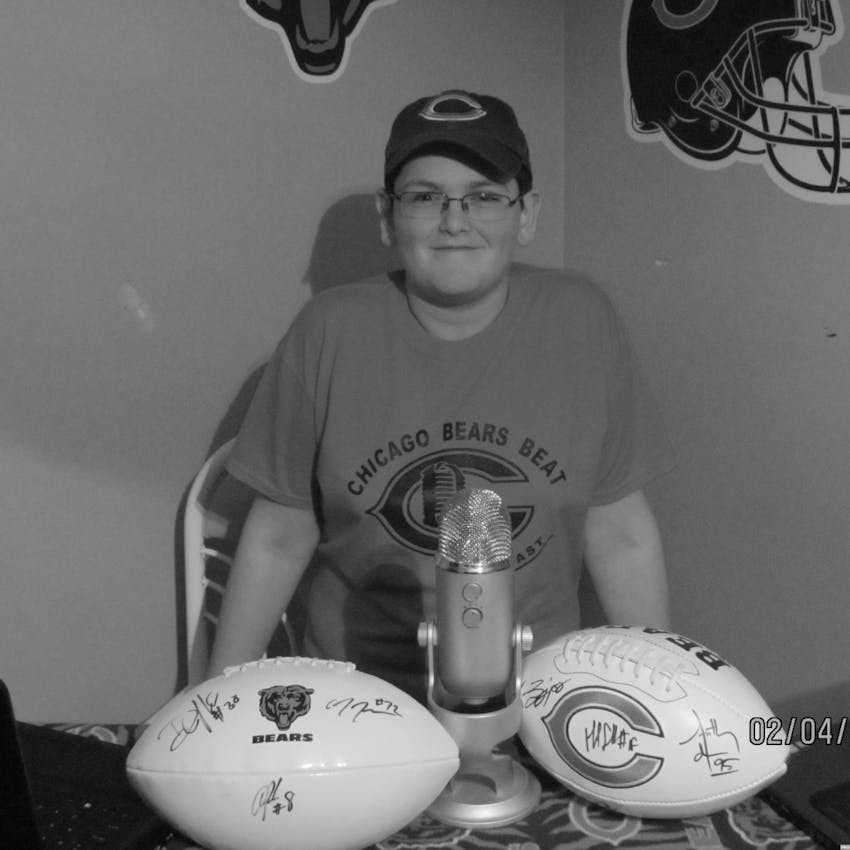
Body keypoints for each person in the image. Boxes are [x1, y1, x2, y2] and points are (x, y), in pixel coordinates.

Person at [206, 89, 674, 701]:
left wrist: (664, 693)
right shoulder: (327, 331)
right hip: (361, 699)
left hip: (541, 692)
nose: (455, 221)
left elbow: (620, 536)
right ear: (387, 216)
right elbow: (277, 539)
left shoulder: (581, 318)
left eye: (485, 196)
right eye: (426, 197)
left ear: (526, 214)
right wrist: (215, 702)